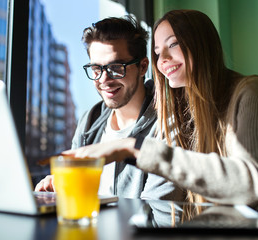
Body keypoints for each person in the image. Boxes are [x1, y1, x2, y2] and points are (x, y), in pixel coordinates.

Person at [65, 10, 258, 210]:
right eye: (159, 52)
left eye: (174, 45)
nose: (164, 60)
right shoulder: (192, 108)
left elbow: (251, 186)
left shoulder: (252, 92)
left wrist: (133, 147)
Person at [35, 16, 185, 201]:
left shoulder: (168, 123)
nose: (104, 80)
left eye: (115, 67)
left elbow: (158, 216)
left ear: (143, 67)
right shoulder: (90, 120)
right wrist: (58, 185)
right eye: (96, 69)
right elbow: (76, 190)